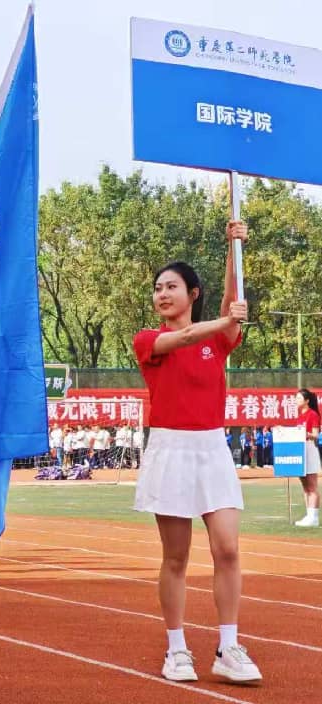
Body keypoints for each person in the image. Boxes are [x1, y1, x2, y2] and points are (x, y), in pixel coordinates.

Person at [132, 220, 261, 684]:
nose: (162, 294)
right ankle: (177, 648)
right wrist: (226, 319)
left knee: (227, 549)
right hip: (170, 449)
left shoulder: (219, 339)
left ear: (193, 293)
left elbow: (231, 305)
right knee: (176, 558)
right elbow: (186, 337)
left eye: (172, 287)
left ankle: (228, 645)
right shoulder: (149, 340)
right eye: (158, 288)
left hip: (212, 448)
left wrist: (234, 247)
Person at [293, 389, 321, 528]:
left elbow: (316, 434)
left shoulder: (313, 414)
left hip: (309, 449)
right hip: (300, 450)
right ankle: (308, 515)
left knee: (312, 486)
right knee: (305, 486)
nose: (296, 400)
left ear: (307, 400)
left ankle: (314, 517)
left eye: (299, 398)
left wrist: (305, 433)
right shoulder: (300, 416)